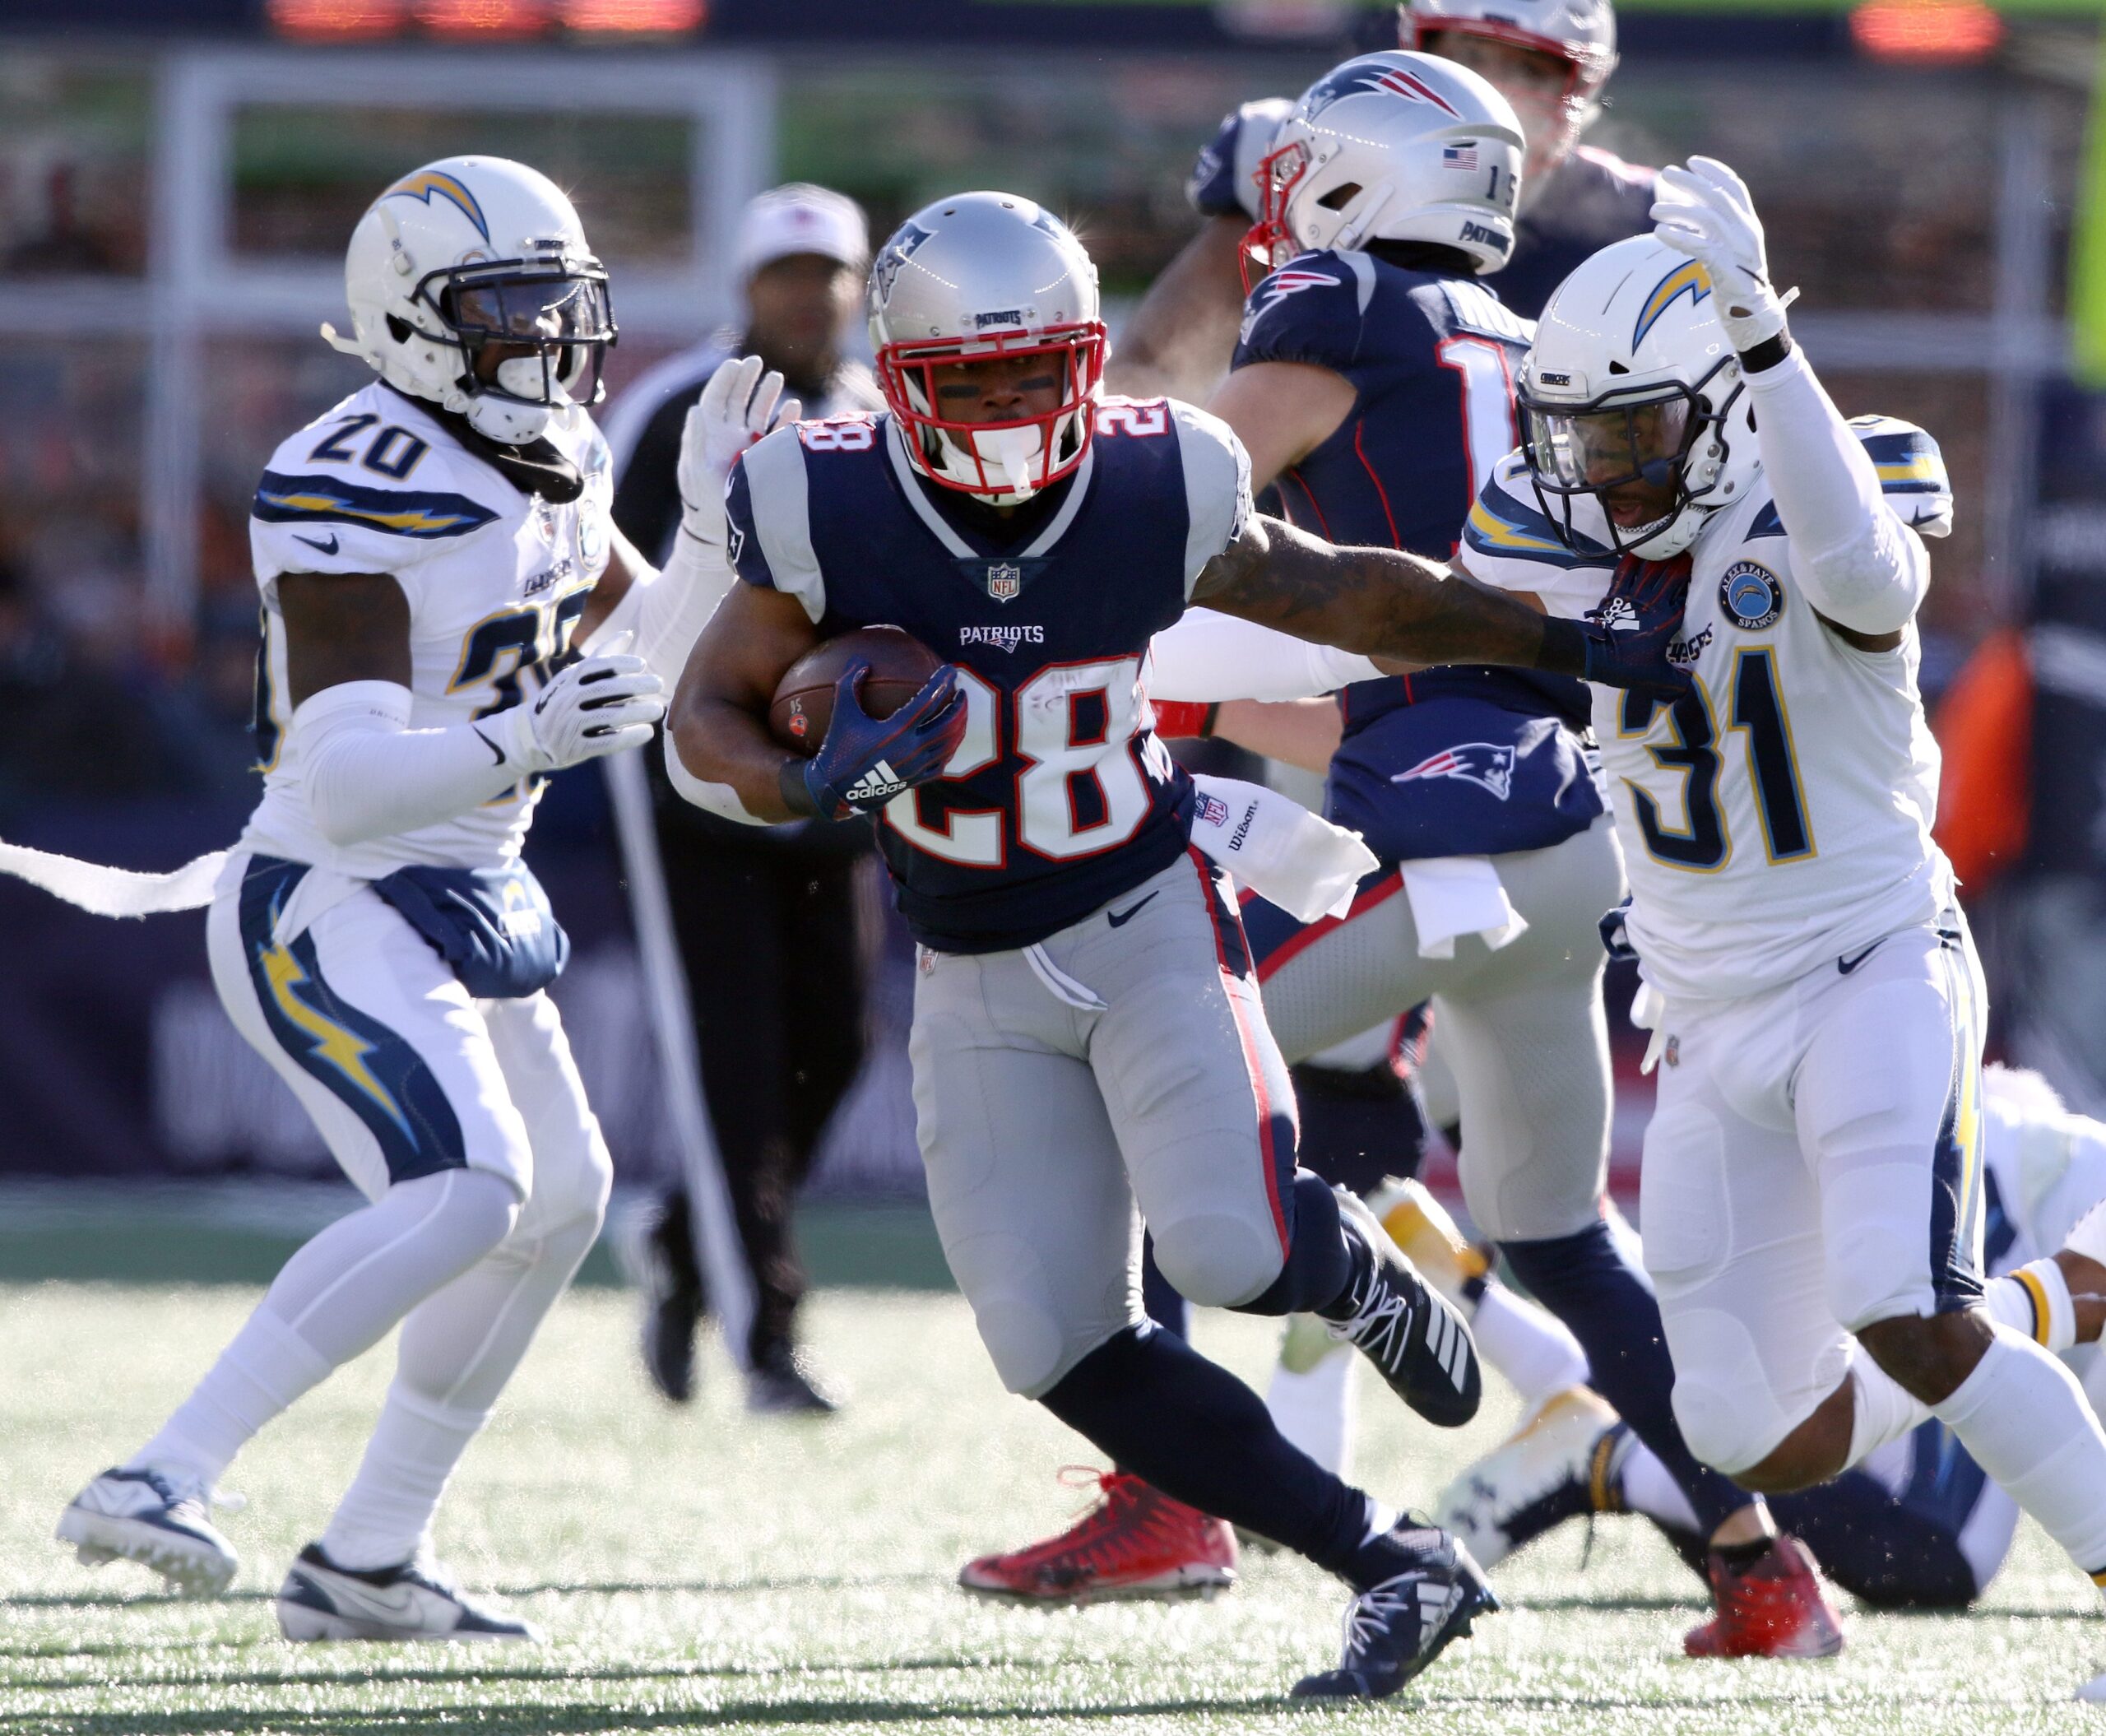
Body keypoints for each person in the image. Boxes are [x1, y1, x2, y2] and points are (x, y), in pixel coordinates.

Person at [666, 187, 1686, 1699]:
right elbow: (706, 712)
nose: (1012, 415)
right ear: (904, 378)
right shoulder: (827, 498)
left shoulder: (1161, 474)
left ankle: (1345, 1266)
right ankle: (1392, 1561)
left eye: (1037, 374)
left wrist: (1572, 647)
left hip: (1141, 912)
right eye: (973, 383)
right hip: (970, 961)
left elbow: (1348, 590)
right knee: (1053, 1341)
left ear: (1087, 360)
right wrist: (796, 783)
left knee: (1232, 1248)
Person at [963, 49, 1824, 1662]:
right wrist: (1182, 701)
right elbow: (1405, 675)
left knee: (1115, 1081)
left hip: (1430, 845)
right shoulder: (1515, 333)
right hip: (1551, 840)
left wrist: (985, 552)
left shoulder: (1343, 302)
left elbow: (1170, 492)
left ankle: (1173, 1490)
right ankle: (1764, 1571)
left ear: (1358, 178)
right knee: (1557, 1231)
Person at [1463, 159, 2106, 1703]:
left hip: (1867, 967)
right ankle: (2049, 1288)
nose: (1601, 473)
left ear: (1727, 403)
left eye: (1634, 434)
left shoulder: (1823, 503)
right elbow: (1424, 610)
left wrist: (1763, 334)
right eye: (1579, 437)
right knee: (1753, 1429)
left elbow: (1866, 568)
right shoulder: (1560, 531)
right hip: (1707, 1018)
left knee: (1904, 1306)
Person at [48, 155, 700, 1641]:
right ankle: (160, 1472)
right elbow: (343, 785)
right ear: (411, 322)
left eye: (560, 302)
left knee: (562, 1199)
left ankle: (369, 1558)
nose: (548, 337)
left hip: (470, 881)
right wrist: (526, 739)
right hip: (327, 888)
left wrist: (723, 525)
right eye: (508, 307)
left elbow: (649, 645)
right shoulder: (357, 473)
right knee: (470, 1185)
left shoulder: (562, 448)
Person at [1437, 1065, 2106, 1634]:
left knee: (1816, 1431)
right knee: (1938, 1551)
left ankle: (1482, 1306)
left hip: (1920, 1141)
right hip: (1977, 1180)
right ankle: (1616, 1454)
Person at [601, 183, 881, 1415]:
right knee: (735, 1065)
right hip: (692, 784)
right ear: (746, 287)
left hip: (830, 786)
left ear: (859, 288)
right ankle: (766, 1337)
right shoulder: (677, 406)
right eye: (786, 276)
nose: (807, 298)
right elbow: (602, 574)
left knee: (838, 1045)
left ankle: (679, 1241)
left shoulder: (876, 415)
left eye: (827, 276)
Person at [1114, 0, 1651, 414]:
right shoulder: (1315, 156)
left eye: (1529, 70)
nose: (1488, 90)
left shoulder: (1640, 219)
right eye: (1470, 57)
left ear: (1581, 87)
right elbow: (1157, 369)